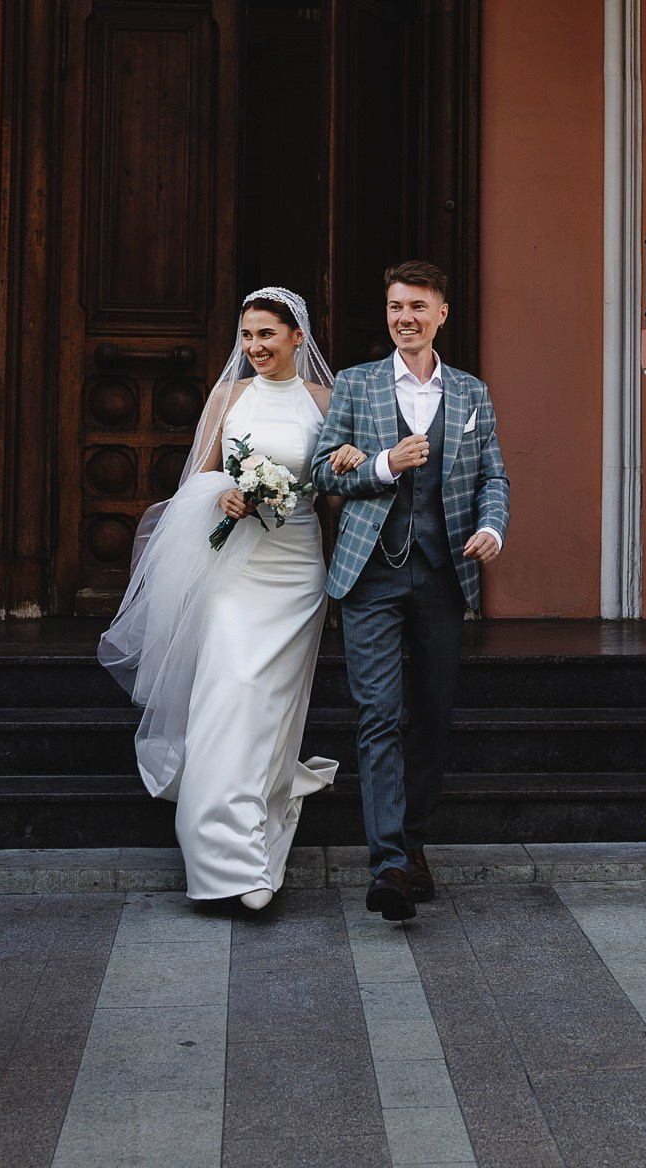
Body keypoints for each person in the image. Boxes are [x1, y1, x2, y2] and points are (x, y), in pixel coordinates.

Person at [101, 288, 353, 909]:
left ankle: (261, 856)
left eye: (267, 334)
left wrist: (348, 477)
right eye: (246, 336)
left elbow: (333, 497)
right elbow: (199, 480)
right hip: (236, 570)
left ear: (298, 336)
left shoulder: (328, 400)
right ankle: (223, 863)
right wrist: (224, 495)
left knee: (273, 710)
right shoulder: (229, 396)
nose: (255, 347)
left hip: (296, 570)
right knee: (228, 696)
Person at [310, 261, 511, 923]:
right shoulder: (357, 384)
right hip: (369, 574)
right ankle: (389, 862)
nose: (405, 318)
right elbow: (322, 469)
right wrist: (380, 464)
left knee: (429, 715)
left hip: (444, 574)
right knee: (377, 715)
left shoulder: (473, 393)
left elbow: (493, 479)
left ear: (442, 313)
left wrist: (490, 528)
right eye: (396, 306)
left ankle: (413, 844)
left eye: (418, 307)